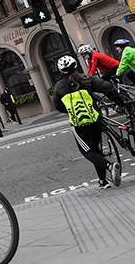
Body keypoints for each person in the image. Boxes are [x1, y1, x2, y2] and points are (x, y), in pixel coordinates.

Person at [53, 56, 126, 189]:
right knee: (96, 149)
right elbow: (107, 87)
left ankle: (110, 166)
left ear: (61, 70)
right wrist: (120, 102)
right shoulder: (85, 79)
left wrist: (71, 109)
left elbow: (58, 106)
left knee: (88, 152)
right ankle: (103, 181)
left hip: (79, 124)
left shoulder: (59, 87)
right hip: (95, 118)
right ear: (75, 66)